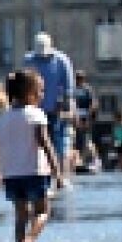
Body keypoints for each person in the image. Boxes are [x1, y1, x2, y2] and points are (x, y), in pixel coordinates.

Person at [0, 70, 66, 242]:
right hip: (35, 172)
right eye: (40, 91)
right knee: (43, 211)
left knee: (21, 216)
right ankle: (30, 240)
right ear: (30, 93)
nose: (42, 95)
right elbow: (45, 143)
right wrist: (58, 172)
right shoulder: (36, 115)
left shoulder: (3, 118)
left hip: (12, 175)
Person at [22, 33, 77, 187]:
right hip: (35, 111)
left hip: (56, 111)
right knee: (37, 145)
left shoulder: (62, 61)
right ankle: (41, 176)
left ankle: (61, 176)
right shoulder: (29, 61)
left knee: (60, 144)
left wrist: (67, 107)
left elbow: (69, 89)